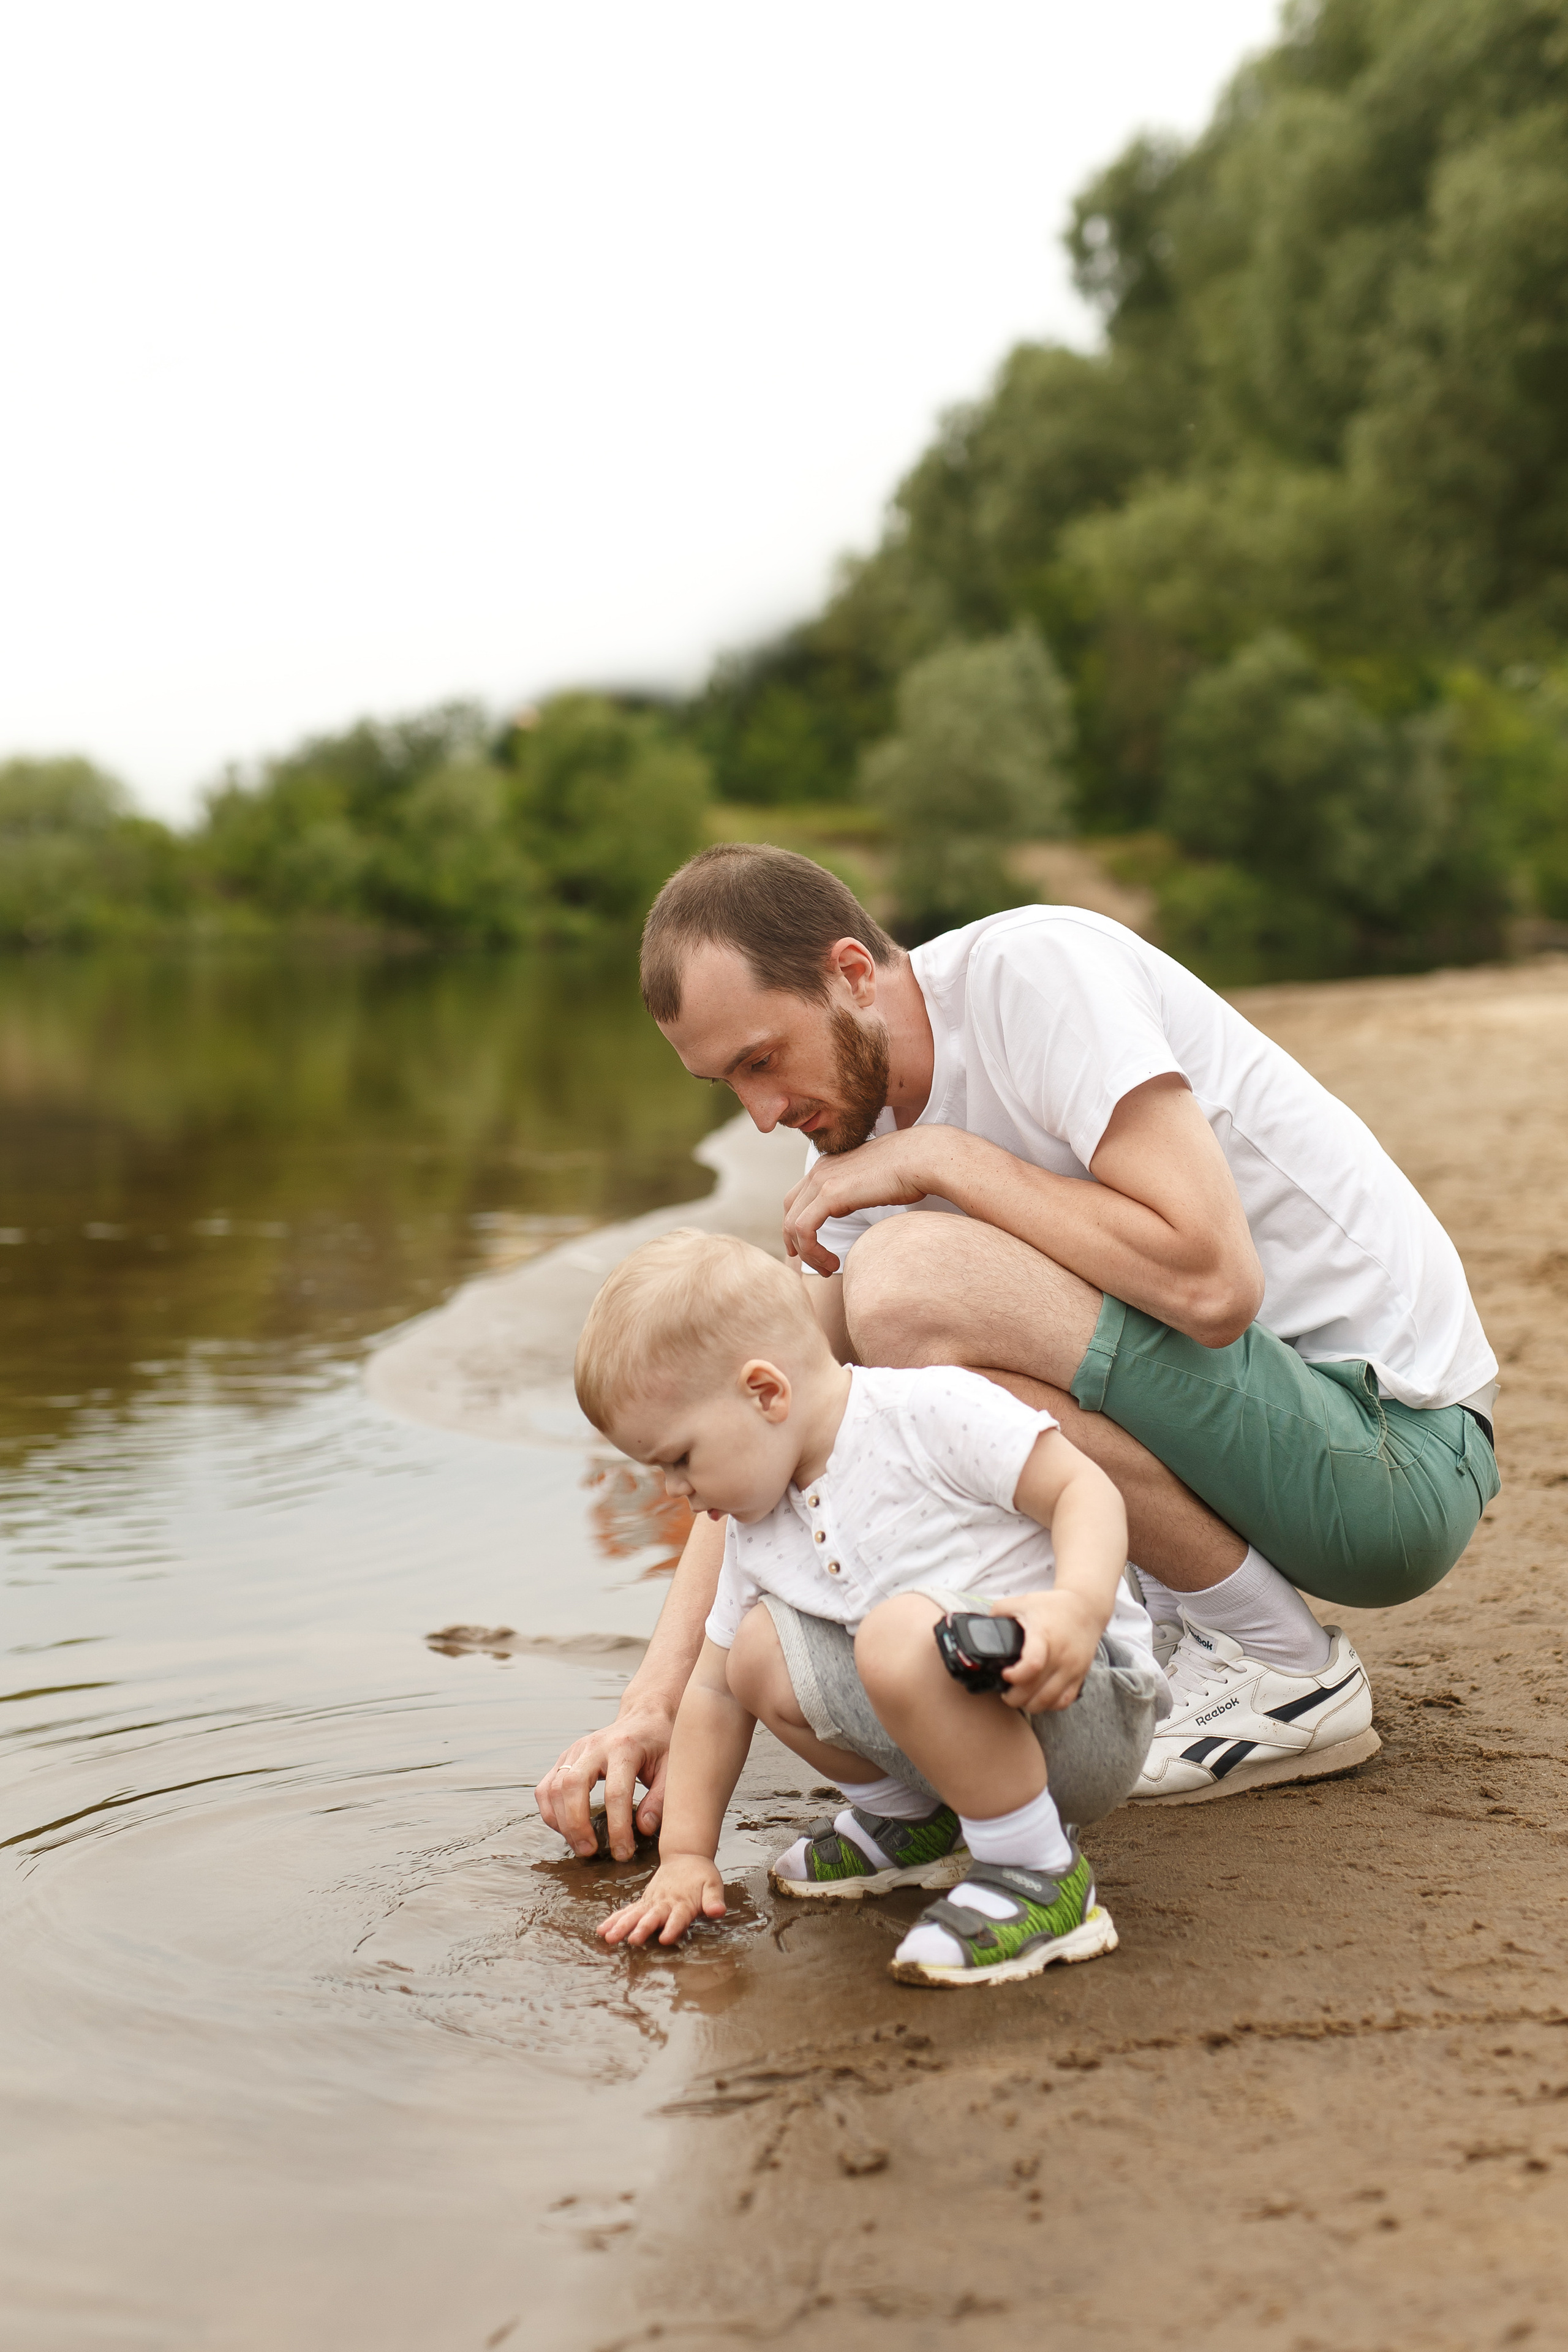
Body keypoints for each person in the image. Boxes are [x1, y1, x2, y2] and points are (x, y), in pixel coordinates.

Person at [537, 846, 1499, 1859]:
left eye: (761, 1060)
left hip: (1392, 1453)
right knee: (872, 1352)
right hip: (1271, 1454)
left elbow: (1216, 1288)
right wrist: (654, 1707)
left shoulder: (1033, 976)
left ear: (852, 975)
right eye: (727, 1082)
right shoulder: (853, 1131)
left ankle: (1278, 1661)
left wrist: (944, 1158)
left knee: (904, 1285)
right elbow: (773, 1416)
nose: (762, 1113)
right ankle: (1170, 1632)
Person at [577, 1227, 1161, 1986]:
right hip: (947, 1731)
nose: (675, 1491)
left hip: (1073, 1699)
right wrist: (687, 1855)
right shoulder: (758, 1523)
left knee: (893, 1634)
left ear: (765, 1392)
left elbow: (1083, 1490)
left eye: (680, 1459)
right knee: (754, 1650)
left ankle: (1039, 1873)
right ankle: (918, 1821)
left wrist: (1078, 1609)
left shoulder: (925, 1410)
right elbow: (715, 1692)